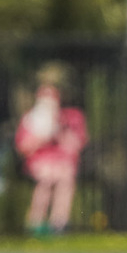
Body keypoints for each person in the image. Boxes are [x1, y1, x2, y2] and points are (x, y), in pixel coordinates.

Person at [13, 62, 87, 236]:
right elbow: (23, 147)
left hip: (63, 163)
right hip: (41, 163)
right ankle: (36, 221)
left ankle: (59, 222)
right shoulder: (30, 119)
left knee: (65, 178)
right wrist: (43, 137)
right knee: (47, 179)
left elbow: (77, 145)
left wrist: (60, 130)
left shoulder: (72, 117)